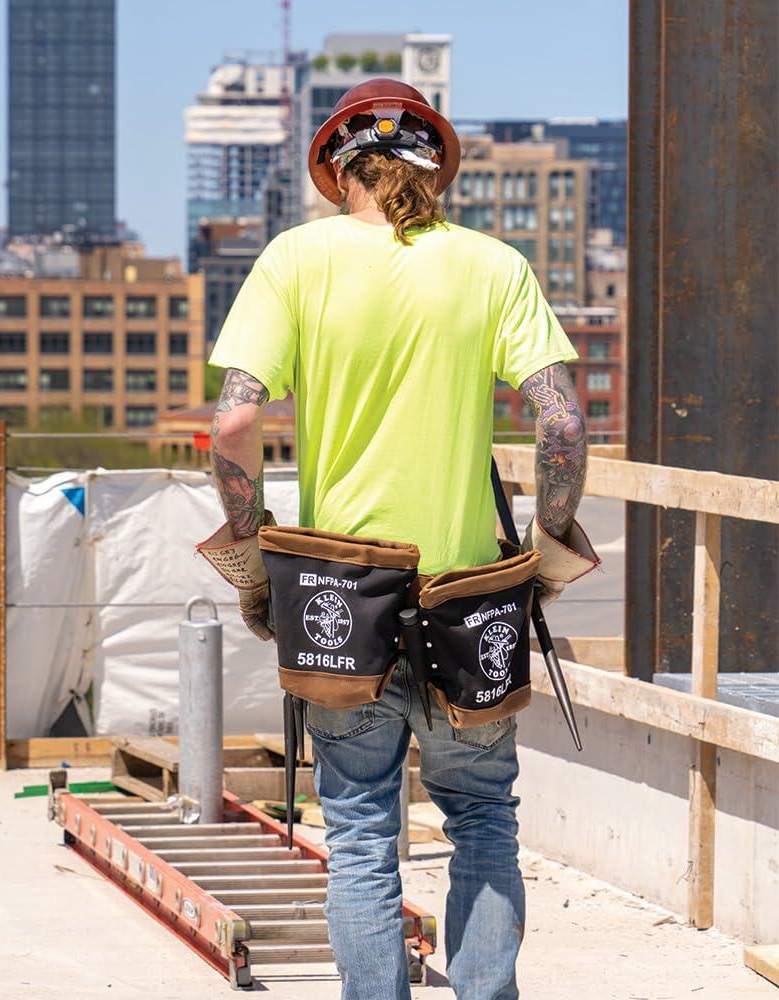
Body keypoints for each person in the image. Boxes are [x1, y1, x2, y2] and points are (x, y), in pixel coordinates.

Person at [200, 80, 595, 1000]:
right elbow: (564, 427)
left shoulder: (294, 262)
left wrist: (256, 568)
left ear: (340, 170)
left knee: (362, 839)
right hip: (472, 604)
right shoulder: (493, 266)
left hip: (341, 600)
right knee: (485, 821)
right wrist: (548, 553)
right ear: (434, 171)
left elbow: (230, 427)